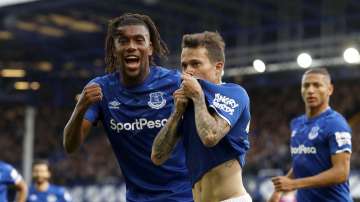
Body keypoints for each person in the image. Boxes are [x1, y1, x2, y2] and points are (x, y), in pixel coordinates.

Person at [63, 13, 193, 201]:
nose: (131, 46)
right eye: (123, 41)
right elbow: (70, 146)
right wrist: (80, 107)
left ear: (150, 48)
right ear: (114, 48)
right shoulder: (101, 90)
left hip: (183, 195)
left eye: (139, 40)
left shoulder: (175, 83)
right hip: (137, 198)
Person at [151, 31, 252, 202]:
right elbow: (157, 157)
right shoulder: (186, 104)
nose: (188, 71)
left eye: (196, 64)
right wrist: (177, 113)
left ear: (218, 67)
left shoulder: (234, 93)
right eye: (184, 65)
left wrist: (198, 97)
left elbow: (210, 136)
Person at [269, 68, 352, 202]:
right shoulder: (296, 124)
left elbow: (342, 172)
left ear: (330, 89)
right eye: (306, 85)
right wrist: (279, 191)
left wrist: (295, 184)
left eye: (317, 85)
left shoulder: (336, 123)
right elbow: (302, 163)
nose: (310, 90)